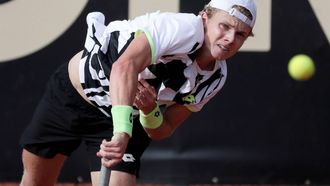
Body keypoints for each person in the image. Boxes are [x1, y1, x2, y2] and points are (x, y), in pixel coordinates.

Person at [19, 0, 257, 185]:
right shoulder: (181, 28)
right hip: (73, 96)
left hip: (127, 116)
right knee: (35, 182)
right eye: (224, 27)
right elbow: (124, 67)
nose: (229, 39)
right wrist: (122, 131)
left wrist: (149, 109)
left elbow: (163, 129)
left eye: (240, 35)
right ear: (205, 18)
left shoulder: (215, 79)